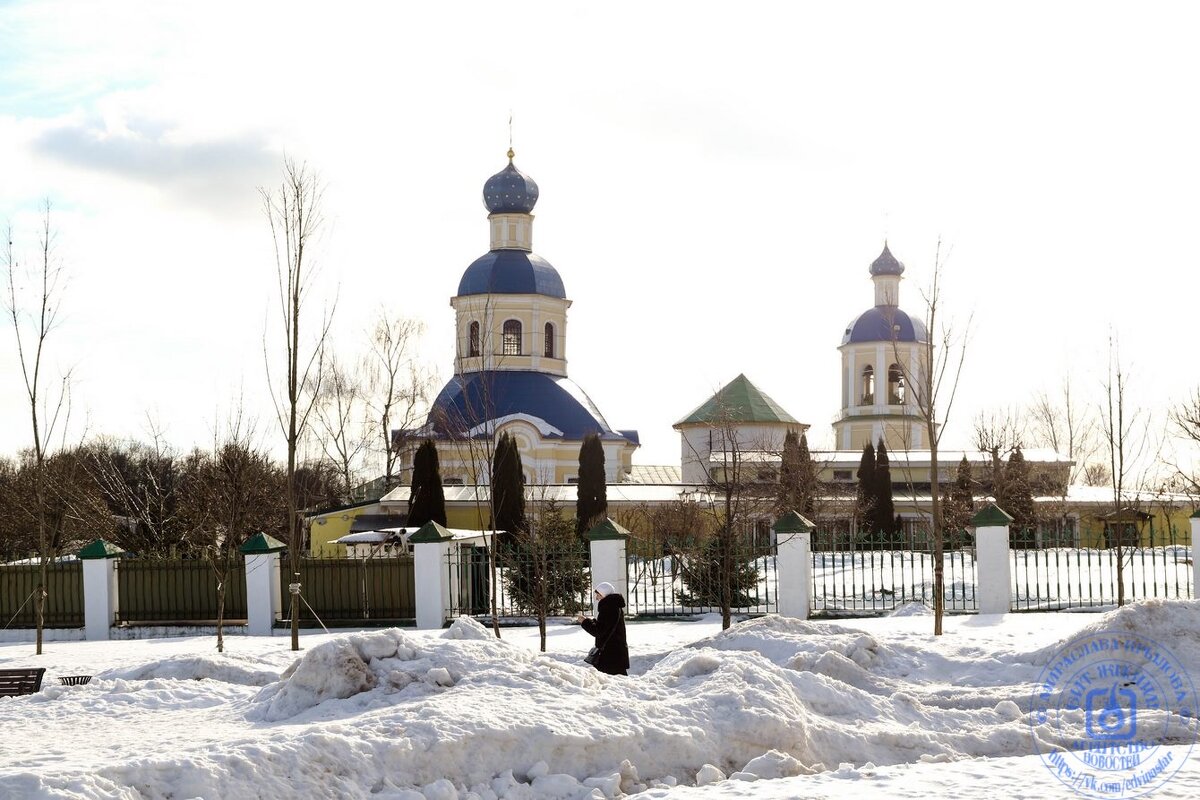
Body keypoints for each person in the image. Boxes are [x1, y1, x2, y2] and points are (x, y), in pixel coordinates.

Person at [576, 582, 629, 676]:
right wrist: (591, 621)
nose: (596, 598)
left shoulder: (609, 607)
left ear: (603, 595)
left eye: (598, 595)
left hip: (610, 656)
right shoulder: (614, 606)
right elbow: (606, 626)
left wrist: (584, 622)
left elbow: (598, 631)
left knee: (613, 685)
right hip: (615, 653)